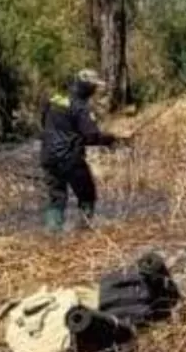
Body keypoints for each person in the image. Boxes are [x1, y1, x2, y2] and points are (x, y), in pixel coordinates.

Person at [40, 69, 127, 233]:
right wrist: (112, 139)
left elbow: (44, 123)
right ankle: (83, 231)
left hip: (47, 157)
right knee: (87, 194)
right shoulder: (80, 108)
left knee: (56, 197)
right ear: (87, 88)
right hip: (70, 159)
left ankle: (51, 233)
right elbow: (92, 136)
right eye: (94, 87)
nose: (95, 91)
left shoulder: (53, 100)